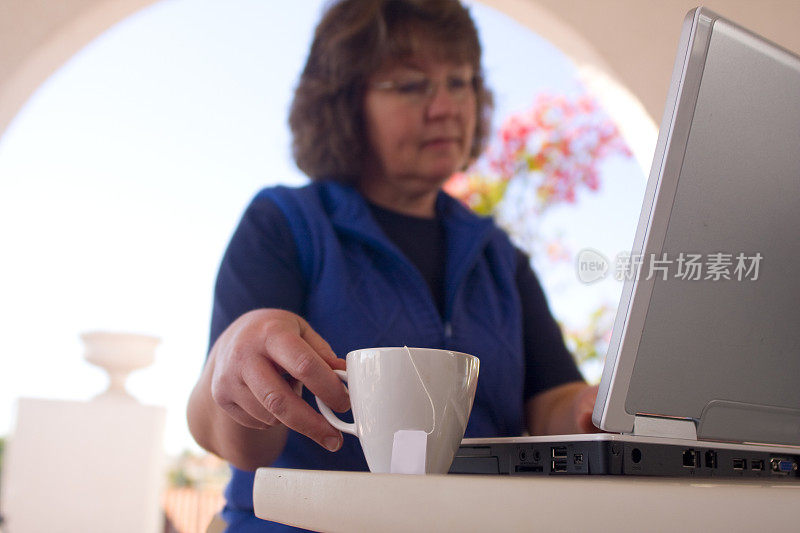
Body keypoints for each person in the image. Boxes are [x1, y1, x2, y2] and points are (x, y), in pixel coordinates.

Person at [187, 0, 598, 530]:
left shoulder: (497, 254)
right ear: (345, 103)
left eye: (461, 81)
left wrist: (593, 407)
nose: (448, 106)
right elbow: (230, 436)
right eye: (411, 85)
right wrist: (235, 352)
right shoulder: (286, 223)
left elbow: (551, 405)